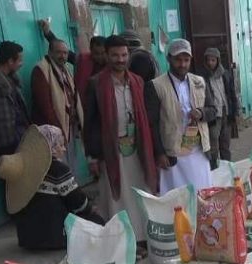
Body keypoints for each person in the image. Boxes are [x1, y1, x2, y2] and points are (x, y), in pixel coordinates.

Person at [83, 35, 160, 247]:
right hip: (111, 151)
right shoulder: (96, 83)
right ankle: (121, 240)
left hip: (137, 147)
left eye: (124, 55)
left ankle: (142, 238)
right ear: (107, 56)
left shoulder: (137, 81)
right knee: (116, 197)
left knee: (139, 191)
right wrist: (93, 156)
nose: (120, 59)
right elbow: (90, 123)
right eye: (115, 55)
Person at [0, 125, 103, 250]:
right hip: (54, 237)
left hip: (27, 239)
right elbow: (78, 202)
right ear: (52, 148)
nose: (64, 149)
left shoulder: (24, 171)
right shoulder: (58, 169)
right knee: (96, 221)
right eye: (60, 145)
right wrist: (90, 209)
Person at [145, 39, 216, 194]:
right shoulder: (156, 86)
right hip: (173, 152)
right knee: (177, 197)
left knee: (202, 194)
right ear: (169, 59)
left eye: (186, 60)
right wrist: (160, 153)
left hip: (198, 150)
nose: (182, 64)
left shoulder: (199, 82)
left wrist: (201, 113)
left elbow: (213, 110)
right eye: (178, 59)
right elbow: (152, 123)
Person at [31, 38, 84, 169]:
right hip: (53, 129)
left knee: (71, 162)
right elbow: (45, 105)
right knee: (60, 164)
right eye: (59, 52)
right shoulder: (41, 70)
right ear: (50, 52)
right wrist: (58, 129)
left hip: (68, 125)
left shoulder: (65, 69)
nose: (63, 56)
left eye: (65, 53)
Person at [38, 20, 107, 101]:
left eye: (103, 53)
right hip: (83, 102)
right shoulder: (82, 60)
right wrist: (47, 32)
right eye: (96, 53)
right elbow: (62, 50)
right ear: (90, 50)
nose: (100, 56)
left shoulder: (112, 64)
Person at [197, 47, 238, 165]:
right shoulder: (202, 77)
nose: (210, 63)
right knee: (213, 144)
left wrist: (235, 110)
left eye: (213, 60)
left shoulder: (225, 74)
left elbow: (231, 93)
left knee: (225, 144)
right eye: (208, 60)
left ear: (218, 60)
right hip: (213, 115)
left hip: (226, 112)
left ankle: (228, 167)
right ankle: (214, 169)